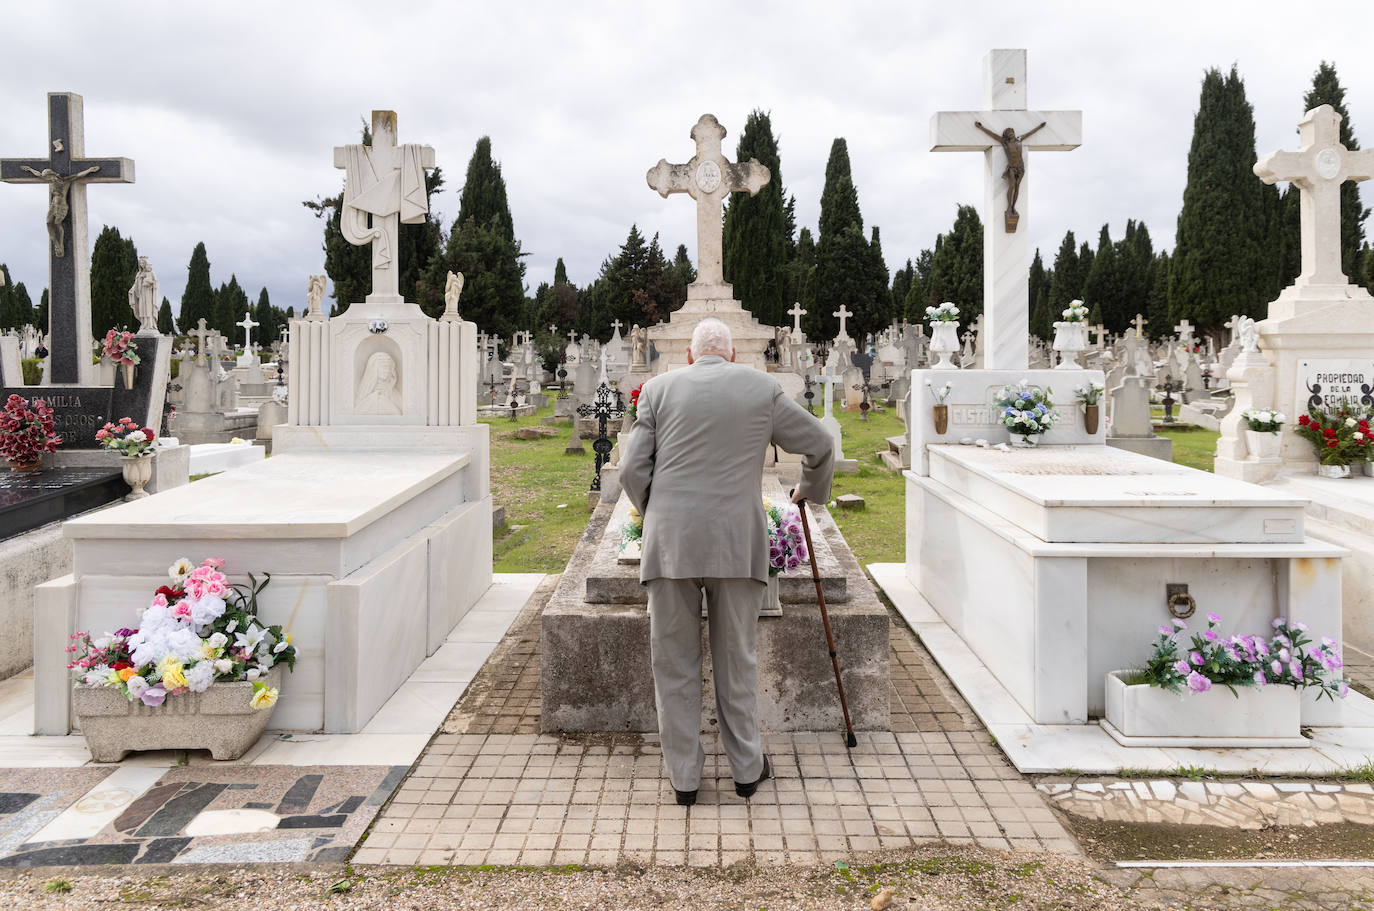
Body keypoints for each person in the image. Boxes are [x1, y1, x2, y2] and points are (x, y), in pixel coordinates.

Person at [620, 317, 834, 806]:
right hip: (737, 544)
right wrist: (810, 491)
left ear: (691, 357)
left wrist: (658, 512)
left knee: (672, 664)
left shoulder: (657, 390)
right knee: (737, 659)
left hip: (671, 544)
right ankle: (744, 769)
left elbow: (633, 469)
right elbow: (819, 443)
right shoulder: (762, 388)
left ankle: (684, 780)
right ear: (733, 355)